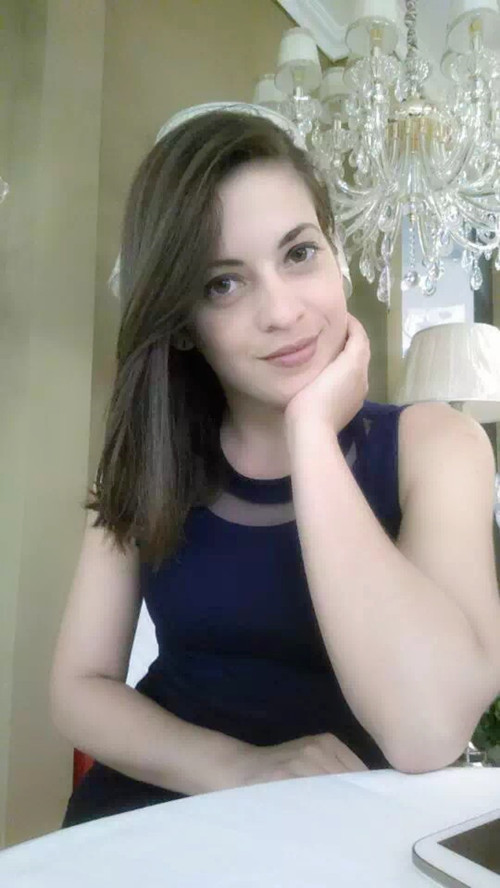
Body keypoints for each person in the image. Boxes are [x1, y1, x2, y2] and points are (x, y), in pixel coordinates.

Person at [51, 102, 500, 829]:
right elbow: (79, 687)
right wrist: (238, 769)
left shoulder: (438, 447)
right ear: (184, 324)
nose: (283, 312)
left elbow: (428, 730)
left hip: (341, 838)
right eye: (222, 284)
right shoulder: (149, 459)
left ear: (336, 257)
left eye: (299, 254)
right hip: (154, 822)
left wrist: (312, 434)